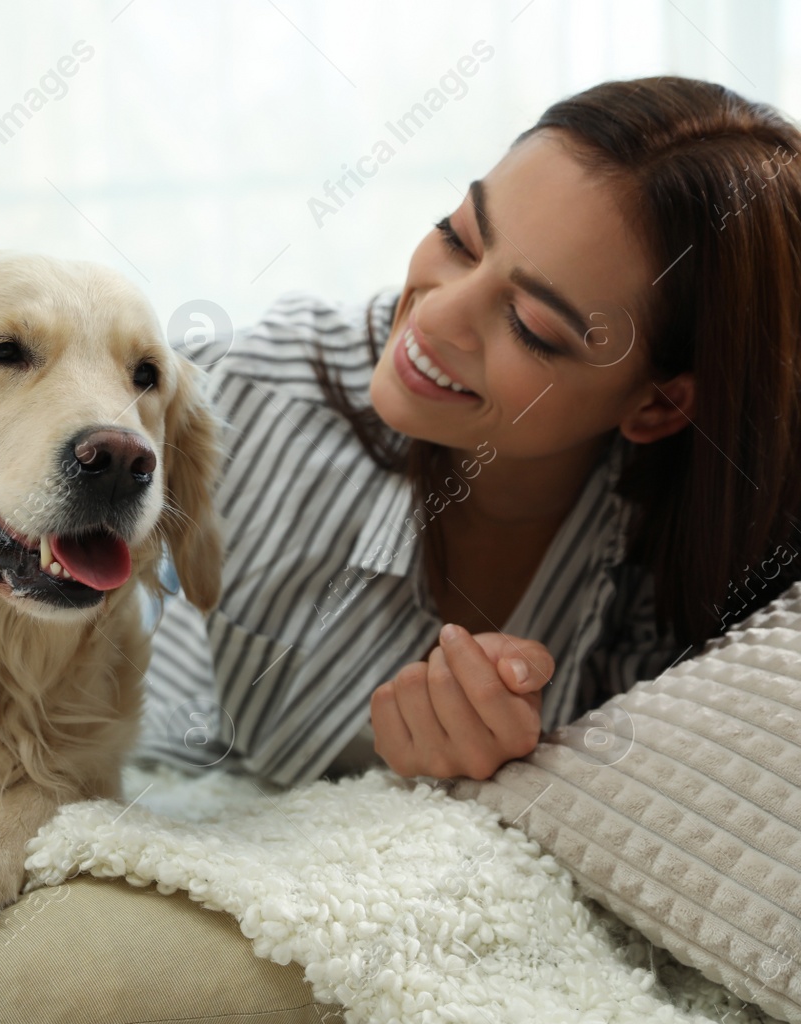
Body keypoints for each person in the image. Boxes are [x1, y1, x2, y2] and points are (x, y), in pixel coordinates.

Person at [137, 76, 801, 788]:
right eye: (460, 237)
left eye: (531, 326)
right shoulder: (241, 395)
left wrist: (500, 788)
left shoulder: (714, 593)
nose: (435, 316)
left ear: (660, 406)